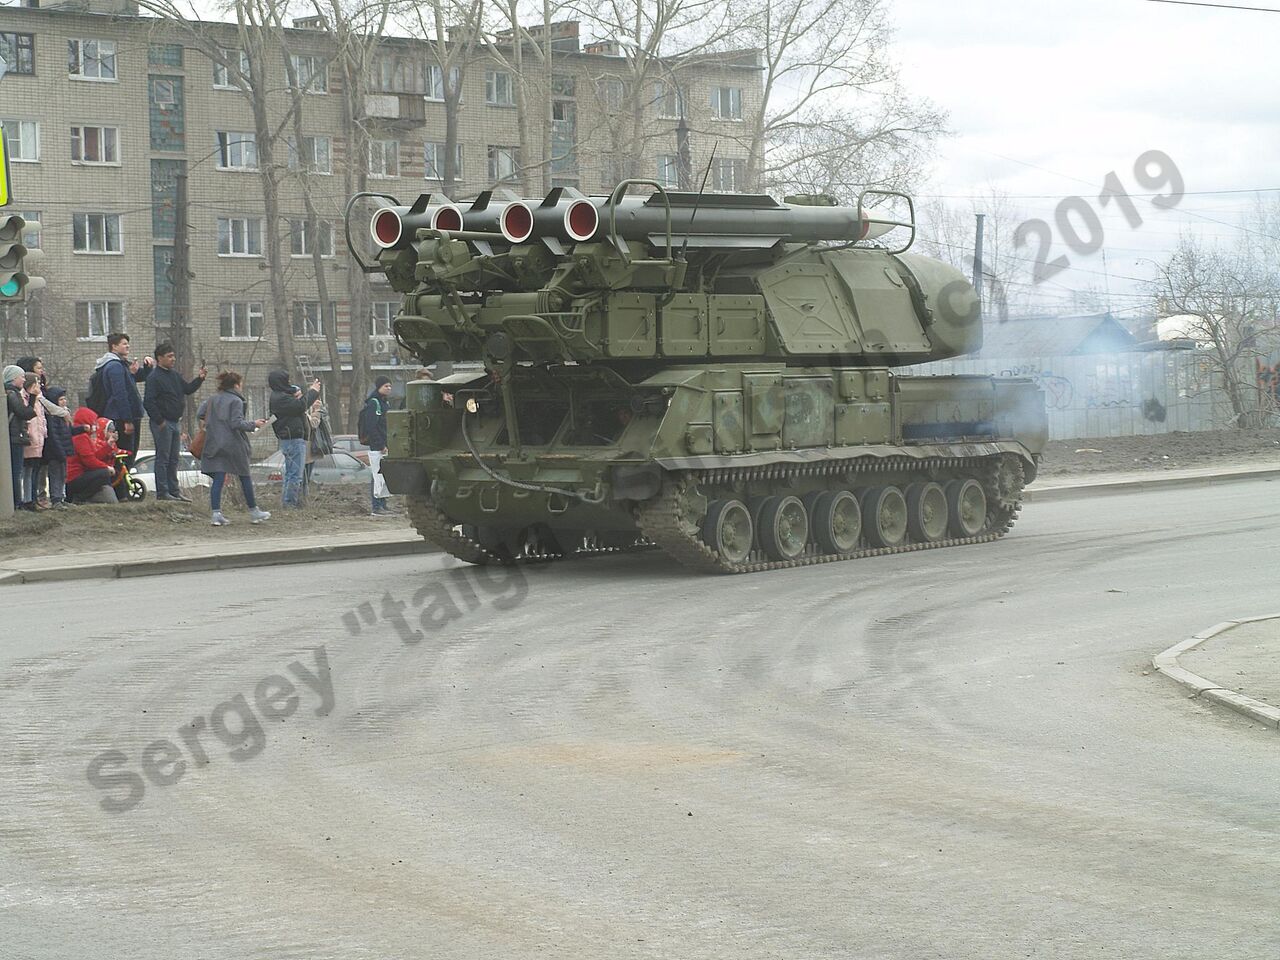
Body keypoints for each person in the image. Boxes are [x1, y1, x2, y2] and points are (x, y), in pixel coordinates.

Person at [198, 370, 271, 526]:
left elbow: (200, 413)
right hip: (233, 445)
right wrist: (254, 424)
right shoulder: (236, 401)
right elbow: (236, 423)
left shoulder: (212, 399)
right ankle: (254, 512)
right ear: (236, 385)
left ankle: (216, 514)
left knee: (218, 479)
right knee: (244, 476)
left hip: (214, 443)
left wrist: (215, 423)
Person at [143, 341, 207, 503]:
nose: (173, 359)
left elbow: (187, 389)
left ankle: (174, 491)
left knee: (174, 458)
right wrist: (159, 420)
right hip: (162, 423)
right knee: (163, 458)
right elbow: (148, 402)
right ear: (160, 358)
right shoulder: (154, 377)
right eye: (169, 356)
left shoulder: (174, 375)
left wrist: (199, 379)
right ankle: (163, 492)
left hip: (175, 422)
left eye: (173, 356)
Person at [94, 333, 153, 466]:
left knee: (128, 455)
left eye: (128, 343)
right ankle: (121, 486)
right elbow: (120, 395)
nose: (128, 346)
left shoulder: (122, 365)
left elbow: (135, 379)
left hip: (124, 416)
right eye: (124, 343)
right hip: (120, 418)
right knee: (125, 456)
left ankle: (123, 484)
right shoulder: (114, 366)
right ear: (114, 346)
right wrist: (127, 420)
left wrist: (147, 368)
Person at [267, 369, 320, 509]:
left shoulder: (281, 396)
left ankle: (289, 502)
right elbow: (300, 406)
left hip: (292, 439)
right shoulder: (280, 398)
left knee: (291, 474)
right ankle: (290, 504)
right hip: (292, 439)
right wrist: (313, 392)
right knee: (295, 475)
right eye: (286, 380)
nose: (289, 382)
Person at [42, 387, 84, 507]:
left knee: (63, 475)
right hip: (55, 452)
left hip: (63, 451)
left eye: (64, 399)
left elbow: (68, 432)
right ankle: (56, 499)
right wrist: (60, 452)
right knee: (56, 475)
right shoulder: (52, 417)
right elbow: (54, 437)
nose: (64, 401)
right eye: (61, 399)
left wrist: (81, 429)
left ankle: (62, 497)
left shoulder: (63, 414)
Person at [66, 408, 118, 504]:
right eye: (93, 422)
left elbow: (93, 456)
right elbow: (89, 461)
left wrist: (108, 446)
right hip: (74, 479)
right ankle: (79, 498)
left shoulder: (83, 436)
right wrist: (106, 467)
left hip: (76, 477)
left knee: (104, 473)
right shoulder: (81, 437)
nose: (95, 426)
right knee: (104, 473)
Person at [360, 376, 393, 516]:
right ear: (379, 387)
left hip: (385, 444)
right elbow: (371, 426)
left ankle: (383, 504)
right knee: (377, 475)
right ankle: (376, 506)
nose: (389, 388)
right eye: (386, 386)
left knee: (385, 476)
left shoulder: (385, 403)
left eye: (390, 386)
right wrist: (380, 444)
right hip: (377, 446)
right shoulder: (374, 403)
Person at [5, 364, 36, 511]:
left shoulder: (10, 393)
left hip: (12, 436)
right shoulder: (12, 394)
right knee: (16, 472)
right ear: (13, 378)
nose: (24, 380)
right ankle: (17, 503)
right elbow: (24, 413)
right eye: (21, 376)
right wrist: (33, 398)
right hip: (14, 437)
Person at [20, 373, 48, 510]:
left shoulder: (38, 400)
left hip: (39, 440)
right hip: (30, 440)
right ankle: (27, 499)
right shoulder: (24, 398)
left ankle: (34, 497)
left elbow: (41, 419)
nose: (39, 386)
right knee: (28, 471)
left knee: (35, 471)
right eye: (36, 383)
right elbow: (28, 418)